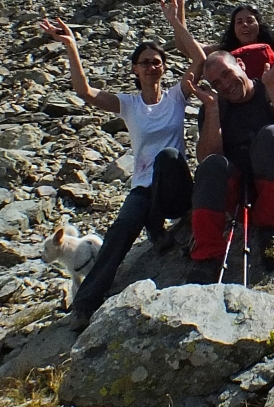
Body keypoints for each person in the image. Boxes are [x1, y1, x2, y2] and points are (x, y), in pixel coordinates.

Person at [37, 18, 195, 327]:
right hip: (143, 187)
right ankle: (83, 306)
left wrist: (179, 15)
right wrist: (71, 45)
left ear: (164, 67)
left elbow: (200, 62)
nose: (152, 67)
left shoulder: (177, 96)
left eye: (157, 62)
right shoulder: (129, 104)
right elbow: (84, 91)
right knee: (118, 234)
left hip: (174, 187)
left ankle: (156, 226)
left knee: (169, 156)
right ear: (135, 69)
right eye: (145, 62)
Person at [186, 49, 274, 282]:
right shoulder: (214, 106)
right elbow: (206, 158)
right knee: (212, 166)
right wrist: (213, 110)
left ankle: (270, 228)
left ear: (241, 65)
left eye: (227, 74)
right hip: (242, 189)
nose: (225, 85)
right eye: (217, 82)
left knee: (273, 135)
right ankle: (206, 257)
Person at [161, 0, 274, 79]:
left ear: (259, 25)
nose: (245, 25)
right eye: (239, 22)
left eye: (250, 21)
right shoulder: (224, 52)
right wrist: (180, 3)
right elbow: (185, 45)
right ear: (233, 29)